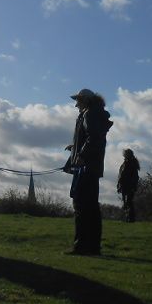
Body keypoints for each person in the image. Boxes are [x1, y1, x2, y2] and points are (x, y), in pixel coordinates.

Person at [64, 89, 113, 255]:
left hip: (85, 168)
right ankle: (92, 247)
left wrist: (82, 155)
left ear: (85, 100)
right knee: (91, 208)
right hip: (92, 168)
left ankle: (81, 246)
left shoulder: (89, 114)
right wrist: (75, 147)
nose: (76, 104)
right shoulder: (95, 114)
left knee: (81, 206)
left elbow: (94, 138)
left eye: (78, 101)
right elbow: (92, 137)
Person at [117, 148, 140, 223]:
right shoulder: (125, 163)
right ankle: (127, 218)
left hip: (129, 186)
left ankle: (131, 219)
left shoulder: (131, 163)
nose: (124, 155)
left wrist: (133, 186)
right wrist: (119, 185)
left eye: (125, 153)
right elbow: (120, 176)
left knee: (128, 202)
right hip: (124, 186)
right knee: (126, 202)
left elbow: (135, 177)